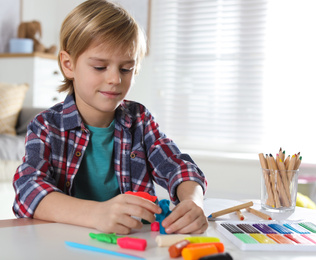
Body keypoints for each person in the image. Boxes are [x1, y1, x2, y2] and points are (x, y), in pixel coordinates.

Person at [13, 0, 208, 235]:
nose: (115, 79)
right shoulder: (46, 126)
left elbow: (178, 166)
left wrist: (193, 201)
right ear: (68, 65)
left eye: (126, 69)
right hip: (66, 245)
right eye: (99, 67)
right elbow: (27, 190)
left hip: (134, 244)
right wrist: (97, 214)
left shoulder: (140, 120)